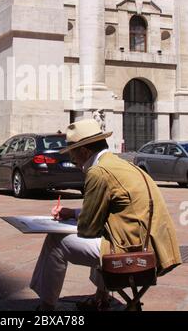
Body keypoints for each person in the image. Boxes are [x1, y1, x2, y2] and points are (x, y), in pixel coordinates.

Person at [30, 118, 182, 311]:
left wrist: (69, 222)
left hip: (132, 249)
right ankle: (101, 298)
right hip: (154, 245)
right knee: (105, 235)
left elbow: (88, 228)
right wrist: (73, 212)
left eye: (72, 154)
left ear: (84, 151)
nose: (72, 160)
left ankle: (46, 307)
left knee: (55, 241)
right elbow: (111, 211)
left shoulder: (98, 172)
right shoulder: (120, 164)